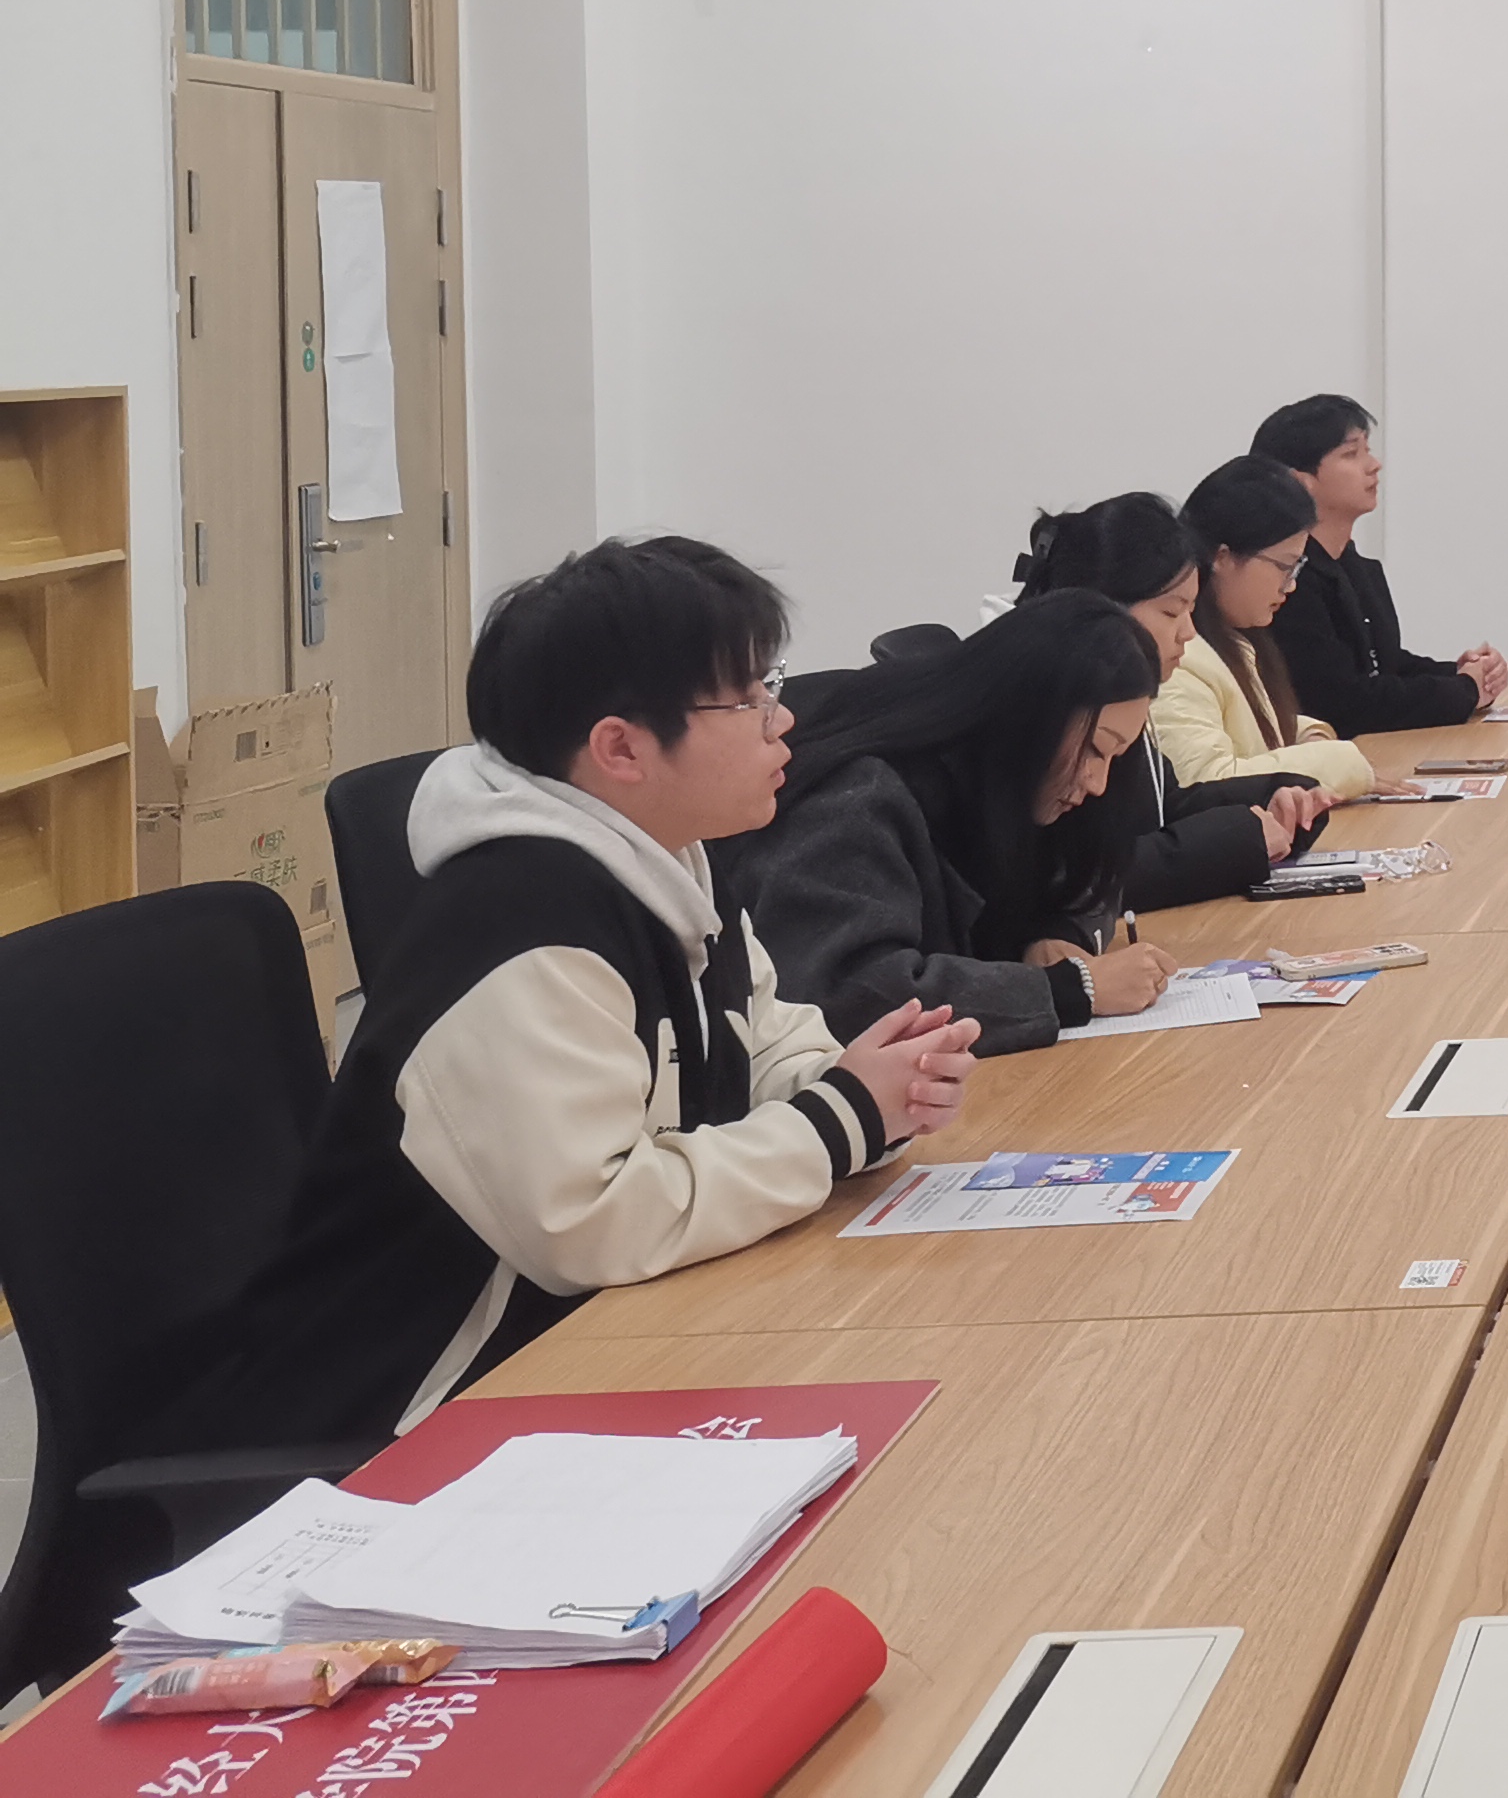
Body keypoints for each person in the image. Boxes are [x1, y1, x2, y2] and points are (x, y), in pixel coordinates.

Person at [157, 537, 975, 1447]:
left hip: (584, 1345)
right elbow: (593, 1222)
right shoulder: (521, 922)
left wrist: (871, 1091)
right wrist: (837, 1121)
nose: (782, 721)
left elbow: (767, 1043)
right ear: (621, 747)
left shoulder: (668, 864)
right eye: (748, 698)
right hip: (403, 1415)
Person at [724, 591, 1178, 1053]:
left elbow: (1093, 874)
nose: (1098, 783)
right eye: (1096, 749)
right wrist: (1070, 990)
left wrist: (1052, 936)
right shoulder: (858, 798)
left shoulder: (1016, 785)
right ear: (1031, 717)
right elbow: (853, 995)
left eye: (1116, 756)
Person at [1015, 491, 1329, 907]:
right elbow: (1071, 874)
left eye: (1191, 611)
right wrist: (1239, 841)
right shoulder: (1045, 703)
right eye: (1171, 612)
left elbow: (1165, 803)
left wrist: (1275, 794)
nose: (1189, 633)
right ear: (1104, 605)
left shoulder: (1120, 696)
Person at [1255, 395, 1508, 739]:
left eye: (1368, 450)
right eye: (1351, 454)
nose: (1374, 465)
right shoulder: (1289, 582)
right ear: (1300, 481)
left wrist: (1463, 673)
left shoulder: (1354, 565)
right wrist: (1464, 690)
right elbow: (1343, 701)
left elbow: (1385, 664)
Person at [1156, 454, 1382, 801]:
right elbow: (1209, 783)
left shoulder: (1233, 639)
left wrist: (1309, 736)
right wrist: (1340, 764)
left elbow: (1255, 728)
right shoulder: (1178, 657)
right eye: (1284, 566)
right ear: (1222, 558)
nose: (1290, 585)